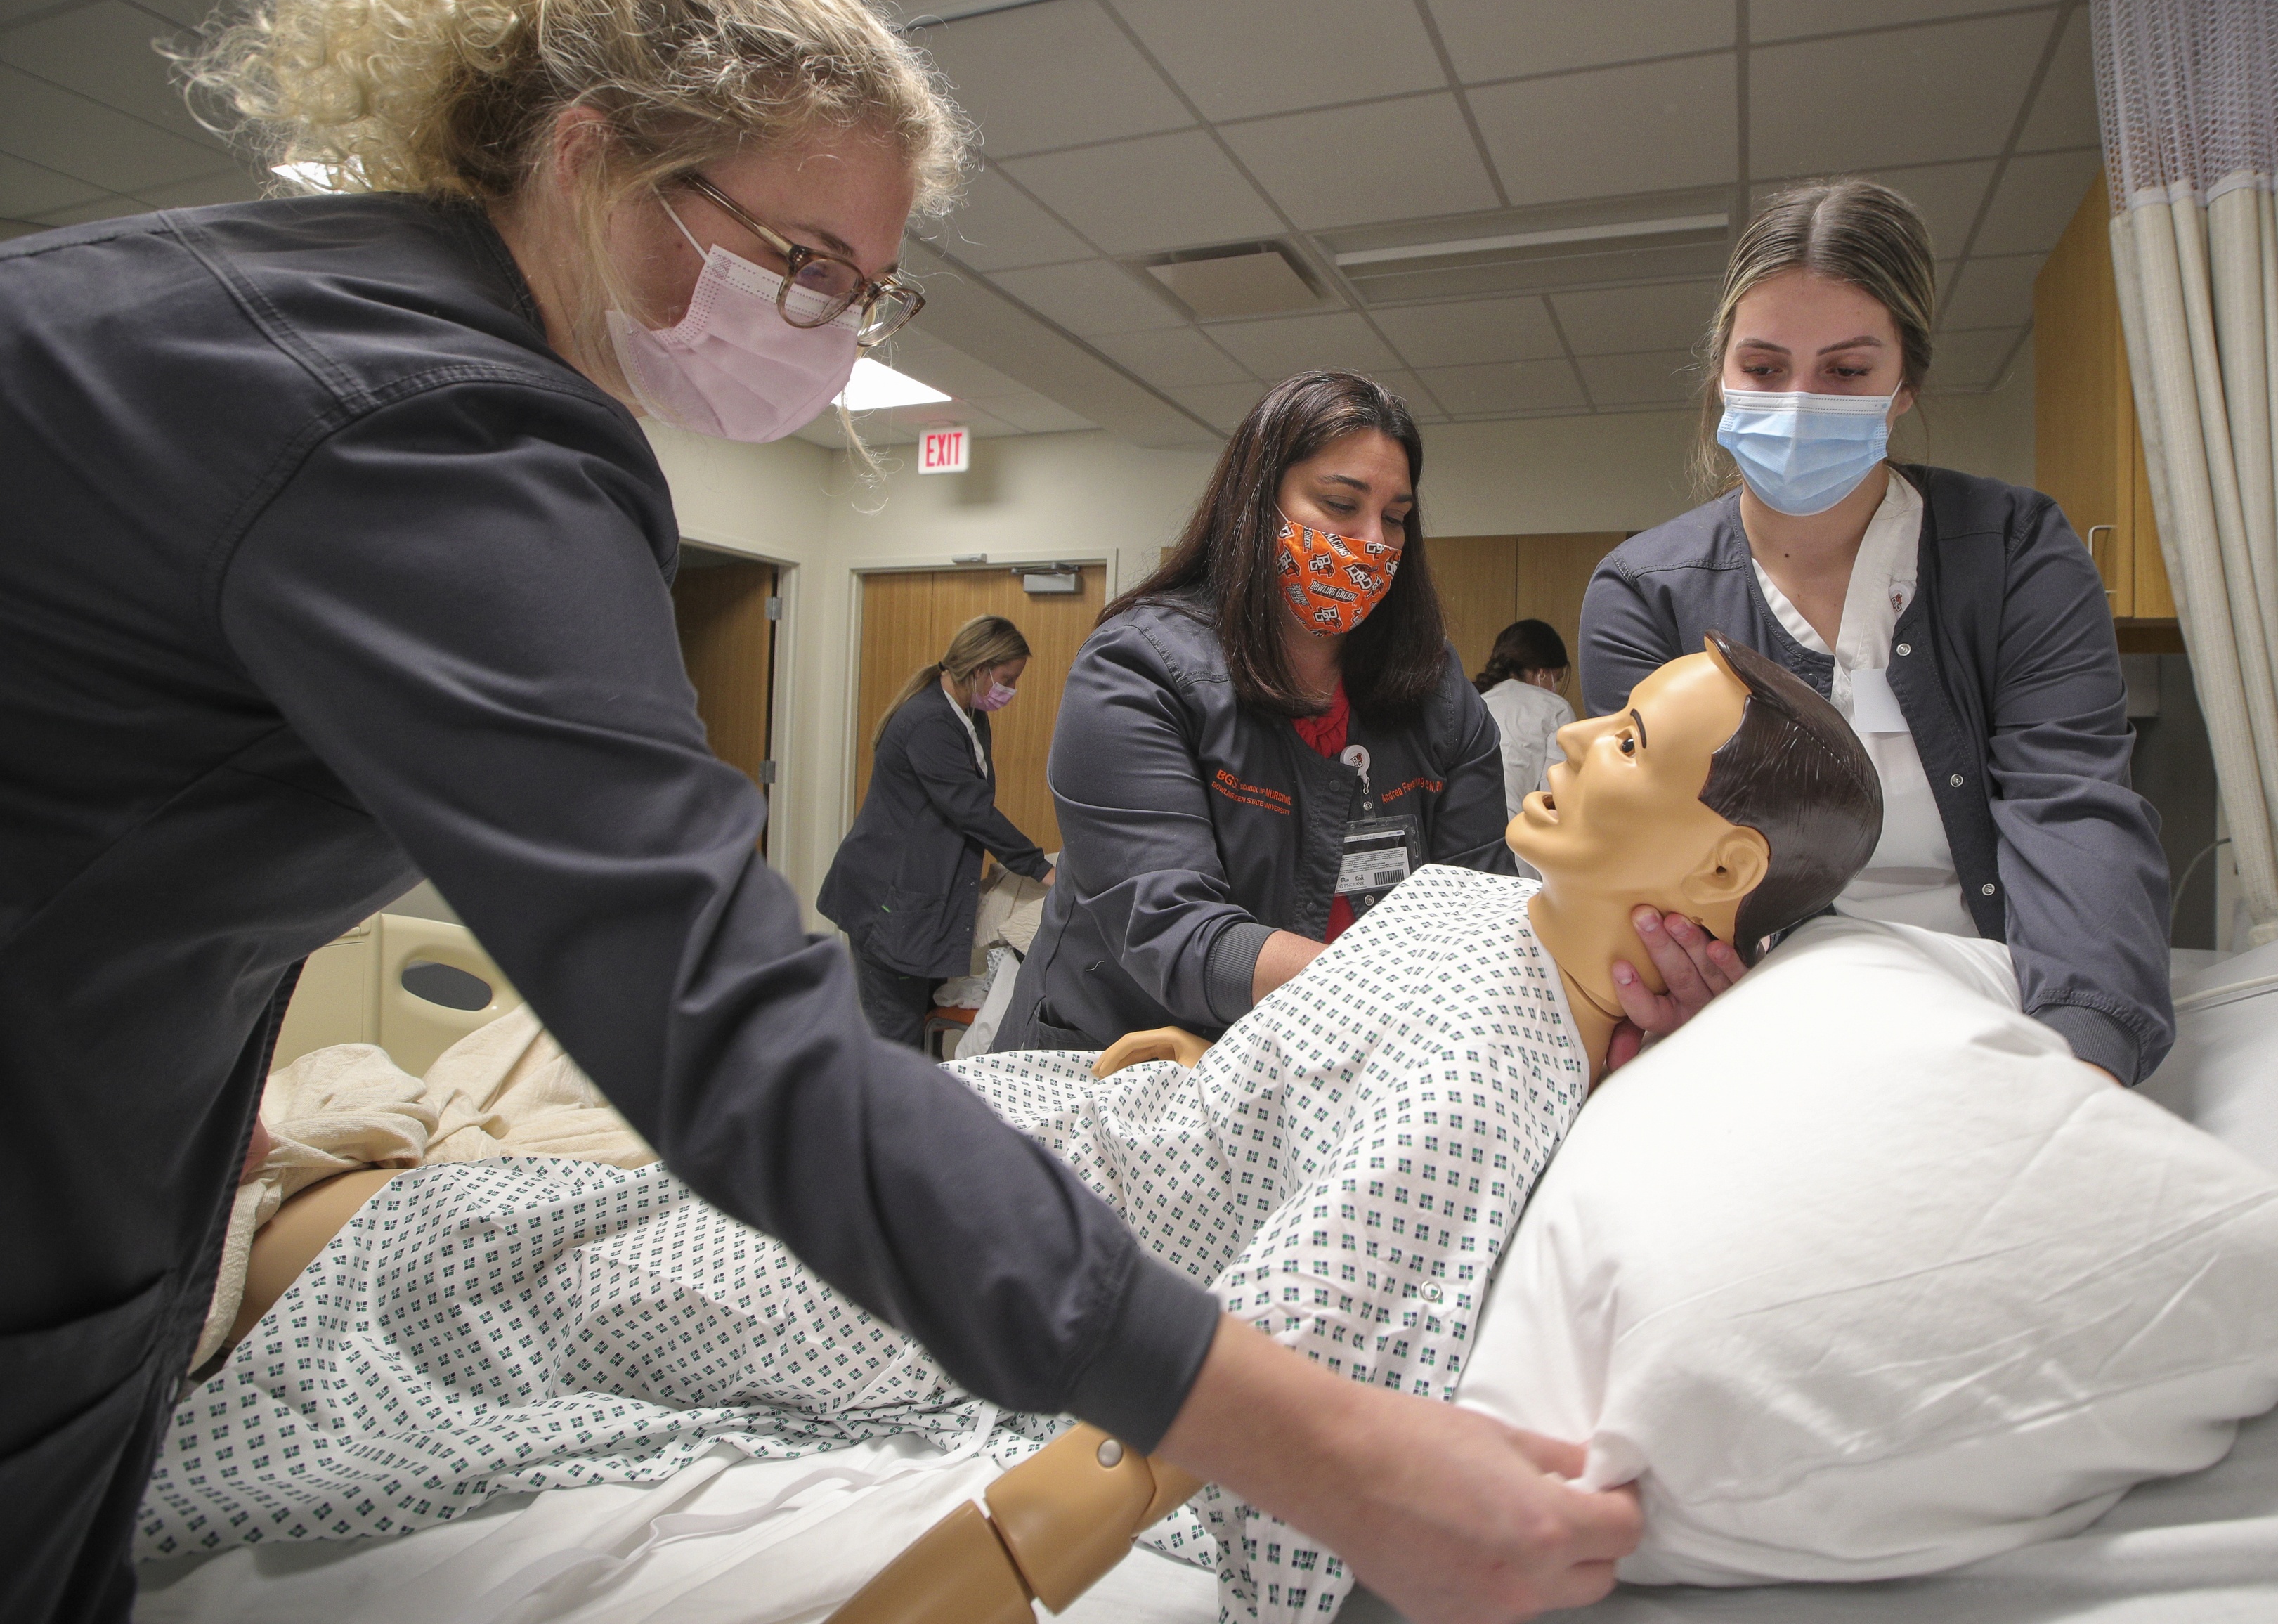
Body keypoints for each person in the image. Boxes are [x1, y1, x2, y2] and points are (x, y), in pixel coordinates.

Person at [0, 0, 1631, 1624]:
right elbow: (736, 1039)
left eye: (870, 291)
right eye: (800, 262)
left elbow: (123, 790)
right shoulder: (436, 430)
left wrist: (213, 1075)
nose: (835, 328)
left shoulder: (276, 325)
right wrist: (1327, 1448)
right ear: (589, 154)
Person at [153, 639, 1880, 1624]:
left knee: (537, 1266)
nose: (1575, 726)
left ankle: (228, 1261)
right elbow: (1275, 1052)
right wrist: (1165, 1067)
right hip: (1056, 1111)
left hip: (1014, 1237)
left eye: (1632, 732)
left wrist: (987, 1557)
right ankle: (271, 1210)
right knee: (593, 1192)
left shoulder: (1488, 1079)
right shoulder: (1458, 900)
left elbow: (1248, 1376)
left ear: (1721, 871)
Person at [1580, 179, 2175, 1085]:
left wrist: (2080, 1057)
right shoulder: (1644, 593)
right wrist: (1672, 986)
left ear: (1905, 386)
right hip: (1761, 1014)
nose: (1800, 401)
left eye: (1848, 371)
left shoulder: (2014, 553)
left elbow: (2073, 806)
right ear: (1722, 377)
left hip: (2001, 994)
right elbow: (1645, 862)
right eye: (1766, 368)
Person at [991, 370, 1517, 1053]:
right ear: (1257, 503)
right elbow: (1175, 932)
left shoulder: (1438, 689)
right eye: (1339, 503)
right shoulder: (1139, 666)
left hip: (1332, 1060)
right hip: (1126, 1056)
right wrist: (1401, 991)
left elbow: (1480, 904)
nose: (1372, 542)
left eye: (1394, 517)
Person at [821, 615, 1053, 1052]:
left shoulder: (969, 713)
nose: (1011, 691)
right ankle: (884, 1116)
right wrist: (1039, 868)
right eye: (1007, 679)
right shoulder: (929, 721)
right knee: (894, 1033)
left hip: (920, 892)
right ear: (981, 668)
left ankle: (912, 1107)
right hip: (888, 894)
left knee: (917, 1020)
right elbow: (970, 808)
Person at [1473, 619, 1577, 879]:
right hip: (1522, 856)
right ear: (1542, 673)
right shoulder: (1554, 708)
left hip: (1469, 853)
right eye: (1558, 677)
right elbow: (1556, 800)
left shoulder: (1476, 704)